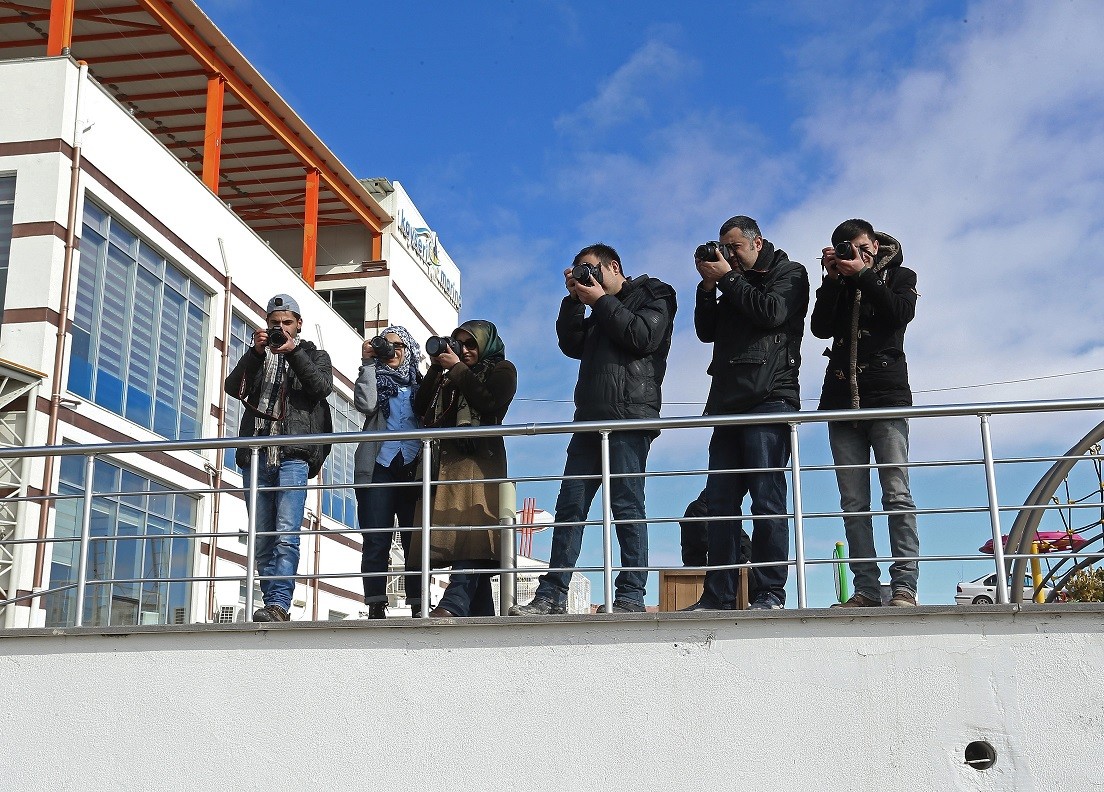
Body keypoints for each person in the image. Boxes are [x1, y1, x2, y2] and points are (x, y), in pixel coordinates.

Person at [511, 243, 676, 615]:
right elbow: (571, 343)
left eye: (590, 269)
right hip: (589, 419)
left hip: (630, 418)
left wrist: (600, 299)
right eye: (578, 271)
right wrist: (572, 300)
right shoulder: (600, 310)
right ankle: (552, 594)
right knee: (570, 506)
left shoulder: (654, 293)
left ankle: (631, 596)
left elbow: (642, 337)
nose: (586, 277)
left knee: (627, 505)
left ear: (613, 265)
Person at [684, 216, 808, 612]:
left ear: (758, 243)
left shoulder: (789, 272)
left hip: (770, 397)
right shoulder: (727, 282)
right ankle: (717, 596)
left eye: (735, 247)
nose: (729, 255)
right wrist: (707, 287)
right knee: (719, 505)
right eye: (725, 248)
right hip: (727, 403)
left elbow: (771, 313)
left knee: (766, 502)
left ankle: (769, 593)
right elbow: (707, 331)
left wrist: (728, 280)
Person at [812, 219, 919, 607]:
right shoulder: (839, 281)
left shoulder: (899, 275)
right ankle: (866, 589)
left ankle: (905, 585)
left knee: (896, 494)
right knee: (854, 502)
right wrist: (831, 281)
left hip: (886, 397)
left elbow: (898, 315)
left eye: (858, 246)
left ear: (874, 243)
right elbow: (820, 328)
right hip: (841, 401)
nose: (853, 253)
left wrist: (865, 276)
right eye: (843, 248)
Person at [225, 294, 333, 622]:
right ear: (266, 324)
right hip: (257, 452)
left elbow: (321, 388)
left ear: (298, 324)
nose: (280, 329)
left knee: (287, 533)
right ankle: (271, 599)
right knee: (261, 535)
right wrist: (254, 354)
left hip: (293, 455)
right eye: (275, 324)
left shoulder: (314, 354)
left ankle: (278, 604)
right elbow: (234, 388)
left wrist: (293, 352)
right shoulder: (258, 356)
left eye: (287, 323)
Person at [411, 320, 517, 618]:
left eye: (472, 344)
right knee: (466, 536)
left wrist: (458, 368)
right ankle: (482, 616)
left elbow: (490, 403)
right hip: (444, 465)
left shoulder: (502, 369)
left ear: (486, 344)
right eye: (459, 344)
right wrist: (435, 368)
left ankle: (453, 603)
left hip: (479, 463)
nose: (465, 350)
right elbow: (421, 408)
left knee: (471, 533)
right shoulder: (449, 376)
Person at [353, 326, 424, 619]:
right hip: (379, 466)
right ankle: (375, 603)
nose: (392, 351)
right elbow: (366, 404)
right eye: (387, 345)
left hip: (413, 466)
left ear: (408, 349)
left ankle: (419, 602)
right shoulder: (374, 377)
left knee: (415, 538)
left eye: (398, 346)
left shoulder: (421, 383)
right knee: (377, 538)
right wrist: (368, 363)